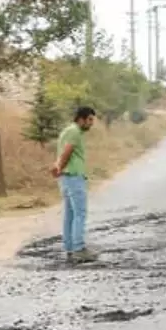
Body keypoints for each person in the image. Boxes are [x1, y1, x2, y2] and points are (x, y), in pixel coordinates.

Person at [50, 106, 98, 264]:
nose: (91, 123)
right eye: (90, 120)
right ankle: (79, 249)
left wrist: (58, 168)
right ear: (81, 119)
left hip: (66, 177)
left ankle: (70, 248)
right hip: (73, 176)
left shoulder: (68, 131)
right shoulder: (74, 132)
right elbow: (67, 152)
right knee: (80, 213)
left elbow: (62, 153)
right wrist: (59, 167)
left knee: (70, 214)